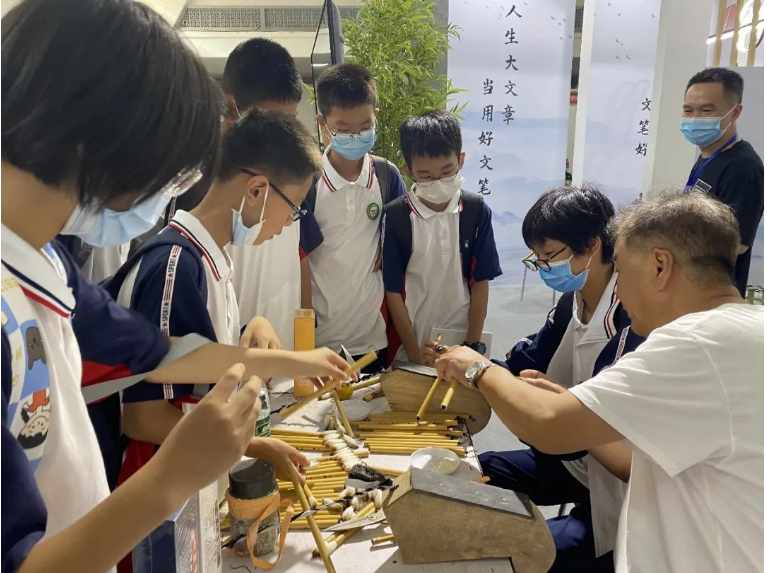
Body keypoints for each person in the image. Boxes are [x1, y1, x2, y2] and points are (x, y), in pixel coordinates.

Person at [1, 1, 351, 571]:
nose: (171, 189)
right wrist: (172, 475)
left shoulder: (49, 265)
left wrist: (289, 361)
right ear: (102, 139)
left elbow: (163, 354)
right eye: (169, 166)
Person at [436, 191, 764, 573]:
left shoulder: (695, 343)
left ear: (660, 266)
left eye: (621, 270)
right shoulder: (745, 329)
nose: (618, 290)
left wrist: (478, 368)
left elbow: (549, 424)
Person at [109, 108, 319, 489]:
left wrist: (250, 328)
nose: (291, 222)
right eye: (293, 208)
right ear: (256, 190)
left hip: (194, 482)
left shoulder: (210, 258)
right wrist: (252, 446)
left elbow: (197, 359)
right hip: (158, 493)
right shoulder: (175, 265)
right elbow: (143, 417)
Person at [470, 186, 641, 572]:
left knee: (534, 554)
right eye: (538, 258)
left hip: (621, 484)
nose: (545, 266)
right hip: (576, 461)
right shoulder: (572, 303)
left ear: (592, 244)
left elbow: (616, 445)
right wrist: (472, 365)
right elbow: (525, 362)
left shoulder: (633, 319)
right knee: (473, 473)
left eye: (550, 255)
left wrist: (561, 402)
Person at [300, 63, 407, 371]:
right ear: (322, 123)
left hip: (373, 337)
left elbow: (402, 240)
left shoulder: (387, 176)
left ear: (376, 116)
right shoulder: (307, 182)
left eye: (365, 126)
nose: (356, 136)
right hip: (320, 340)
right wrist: (303, 340)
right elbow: (298, 259)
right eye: (344, 129)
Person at [383, 110, 501, 365]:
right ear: (408, 171)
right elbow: (393, 291)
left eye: (447, 171)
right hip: (411, 344)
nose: (437, 182)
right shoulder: (396, 217)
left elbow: (480, 283)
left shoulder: (476, 211)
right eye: (426, 175)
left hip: (463, 340)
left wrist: (471, 346)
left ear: (461, 160)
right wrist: (414, 355)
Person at [222, 39, 307, 350]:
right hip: (227, 363)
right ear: (232, 108)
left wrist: (301, 348)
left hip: (283, 359)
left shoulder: (294, 170)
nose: (284, 138)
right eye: (272, 123)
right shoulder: (195, 183)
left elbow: (299, 259)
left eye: (291, 121)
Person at [682, 67, 764, 296]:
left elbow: (736, 244)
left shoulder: (743, 167)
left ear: (735, 112)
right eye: (688, 110)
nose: (695, 118)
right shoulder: (708, 157)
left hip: (714, 296)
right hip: (688, 289)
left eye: (707, 110)